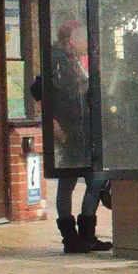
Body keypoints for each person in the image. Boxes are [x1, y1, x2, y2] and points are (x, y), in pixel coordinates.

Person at [34, 21, 111, 254]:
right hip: (70, 129)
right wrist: (52, 120)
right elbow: (38, 89)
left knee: (88, 178)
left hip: (81, 128)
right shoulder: (58, 60)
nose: (86, 44)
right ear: (72, 40)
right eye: (83, 39)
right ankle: (75, 236)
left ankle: (83, 234)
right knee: (76, 178)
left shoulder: (75, 60)